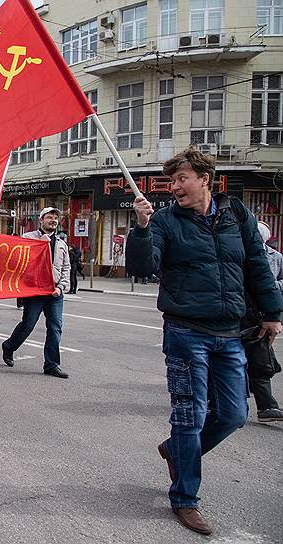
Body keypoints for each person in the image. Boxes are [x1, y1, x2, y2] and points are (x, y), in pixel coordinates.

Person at [126, 148, 283, 535]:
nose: (174, 186)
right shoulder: (164, 220)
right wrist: (142, 228)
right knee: (190, 416)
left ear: (204, 179)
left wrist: (273, 313)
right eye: (172, 181)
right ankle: (184, 499)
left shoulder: (237, 215)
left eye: (182, 179)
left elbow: (257, 265)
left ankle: (174, 451)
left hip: (231, 332)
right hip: (185, 332)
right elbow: (142, 268)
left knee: (234, 415)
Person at [1, 207, 71, 379]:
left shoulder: (61, 244)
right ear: (41, 220)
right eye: (49, 217)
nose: (53, 220)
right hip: (35, 291)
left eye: (55, 217)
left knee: (55, 328)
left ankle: (51, 364)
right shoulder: (28, 238)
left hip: (54, 293)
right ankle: (9, 347)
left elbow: (66, 269)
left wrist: (61, 288)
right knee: (28, 325)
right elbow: (20, 263)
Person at [247, 221, 283, 422]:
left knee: (260, 362)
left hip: (260, 316)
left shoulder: (275, 257)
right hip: (237, 315)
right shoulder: (238, 253)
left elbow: (275, 283)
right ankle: (217, 402)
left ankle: (267, 406)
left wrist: (273, 315)